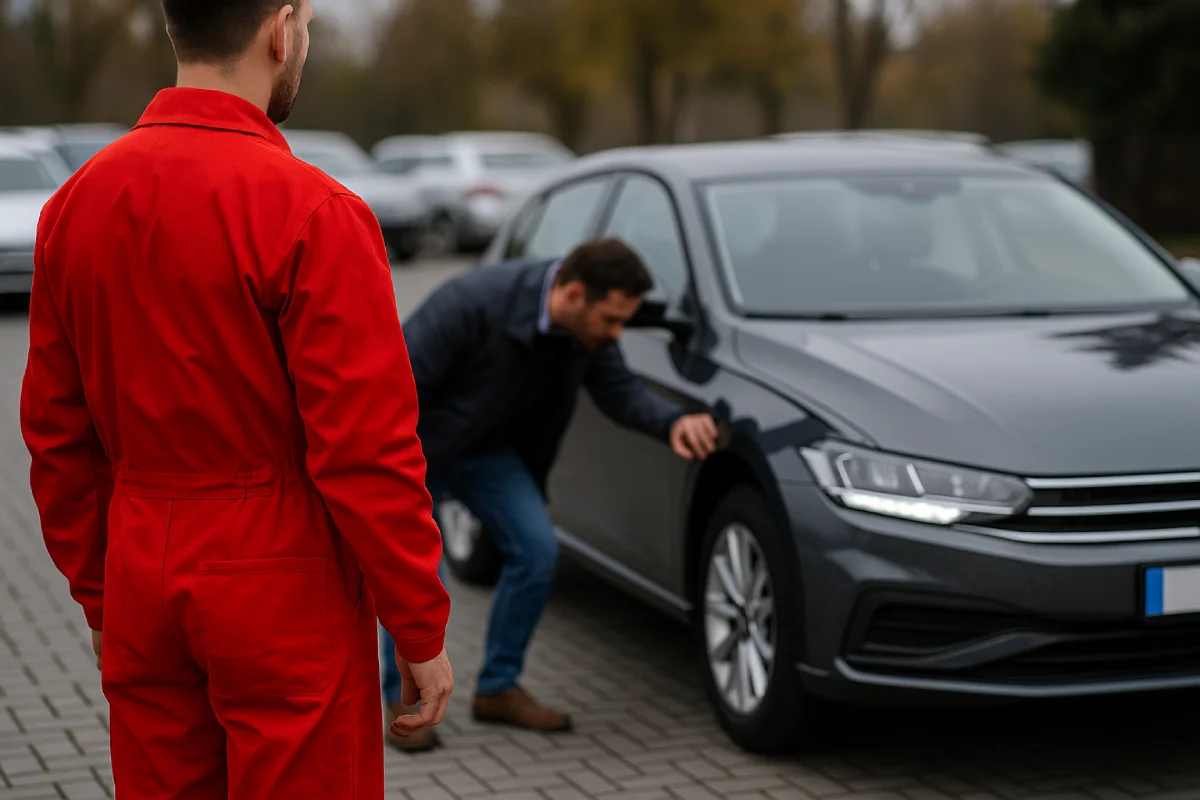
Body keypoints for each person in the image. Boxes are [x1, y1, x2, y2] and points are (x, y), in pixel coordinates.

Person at [19, 1, 453, 796]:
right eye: (310, 30)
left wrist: (101, 595)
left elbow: (55, 432)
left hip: (142, 564)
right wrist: (418, 623)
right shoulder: (316, 212)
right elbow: (365, 449)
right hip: (280, 575)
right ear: (281, 29)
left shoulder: (72, 206)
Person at [380, 238, 720, 752]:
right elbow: (393, 386)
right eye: (610, 319)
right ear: (576, 293)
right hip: (420, 452)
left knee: (537, 549)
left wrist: (673, 420)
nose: (616, 333)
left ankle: (497, 688)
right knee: (419, 574)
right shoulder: (472, 303)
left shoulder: (586, 334)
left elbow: (619, 391)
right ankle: (405, 701)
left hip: (488, 453)